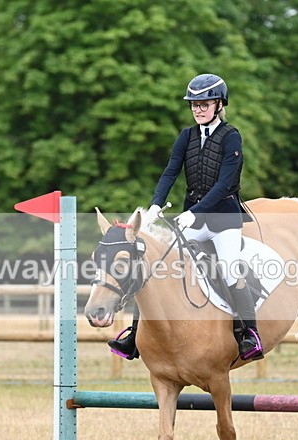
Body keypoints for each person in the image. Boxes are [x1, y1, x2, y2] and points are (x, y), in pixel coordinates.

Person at [108, 73, 263, 362]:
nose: (198, 109)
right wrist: (154, 206)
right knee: (155, 267)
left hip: (223, 221)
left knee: (229, 269)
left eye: (204, 104)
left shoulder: (232, 137)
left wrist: (195, 212)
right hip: (192, 219)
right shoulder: (186, 136)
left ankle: (248, 334)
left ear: (219, 104)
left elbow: (225, 183)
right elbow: (170, 172)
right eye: (194, 105)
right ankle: (134, 336)